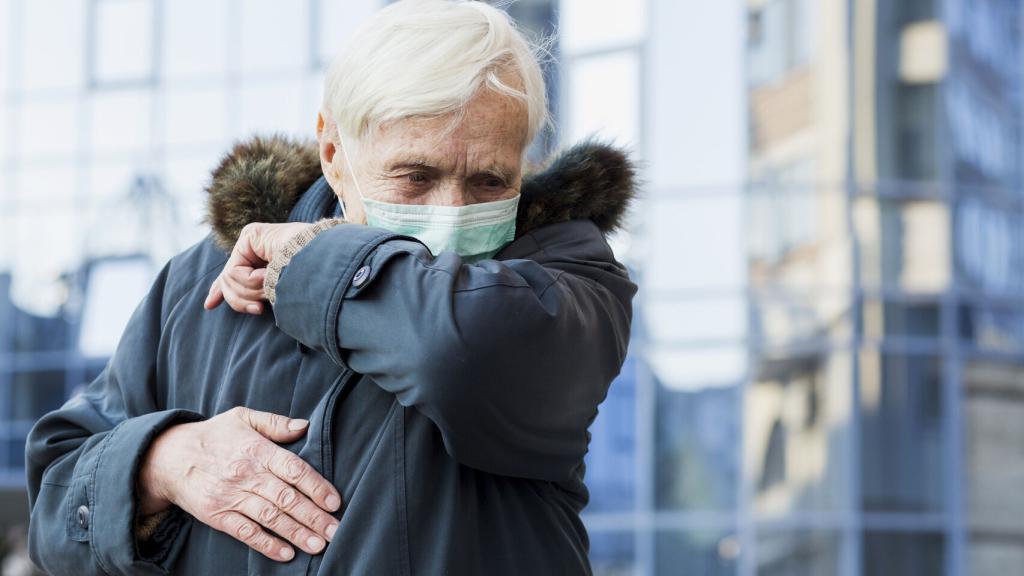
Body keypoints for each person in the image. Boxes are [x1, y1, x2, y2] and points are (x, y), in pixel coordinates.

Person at [25, 1, 637, 574]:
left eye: (487, 181)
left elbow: (455, 354)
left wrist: (309, 256)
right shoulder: (196, 283)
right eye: (415, 176)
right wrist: (161, 462)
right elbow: (54, 508)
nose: (450, 216)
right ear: (333, 150)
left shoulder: (569, 276)